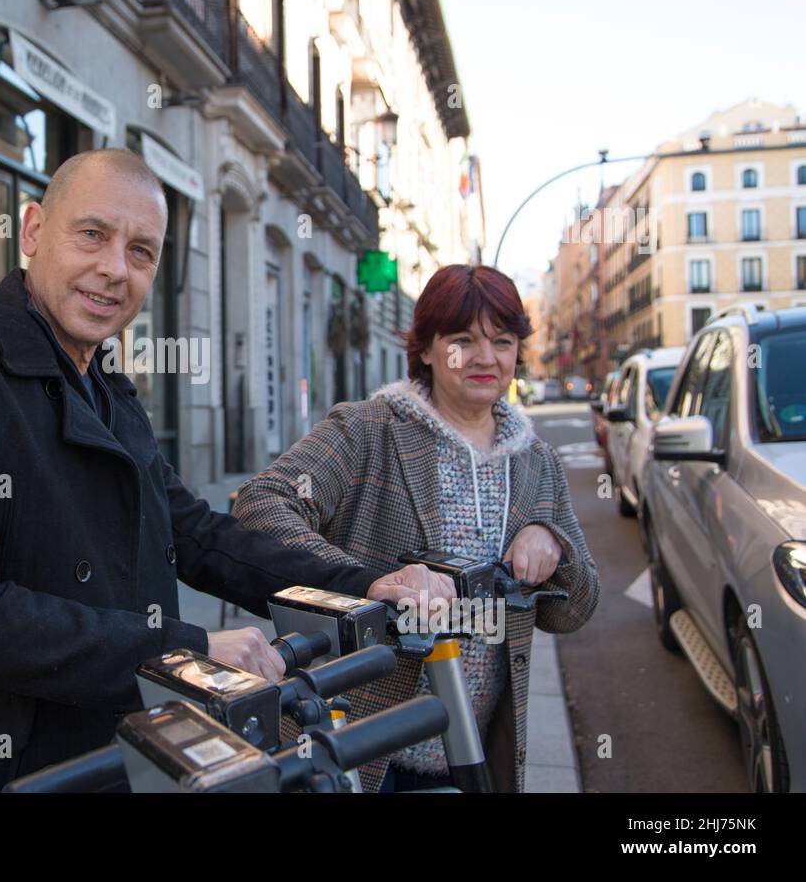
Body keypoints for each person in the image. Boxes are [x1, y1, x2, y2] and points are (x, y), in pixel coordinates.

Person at [0, 149, 447, 792]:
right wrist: (186, 650)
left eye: (141, 251)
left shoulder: (109, 392)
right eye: (92, 235)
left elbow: (198, 535)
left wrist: (365, 584)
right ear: (33, 232)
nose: (112, 270)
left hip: (102, 758)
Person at [232, 264, 600, 792]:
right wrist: (363, 585)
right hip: (357, 745)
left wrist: (553, 548)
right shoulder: (369, 430)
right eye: (462, 340)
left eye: (502, 340)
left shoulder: (537, 463)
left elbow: (575, 612)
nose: (484, 357)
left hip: (473, 756)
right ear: (425, 349)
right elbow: (262, 501)